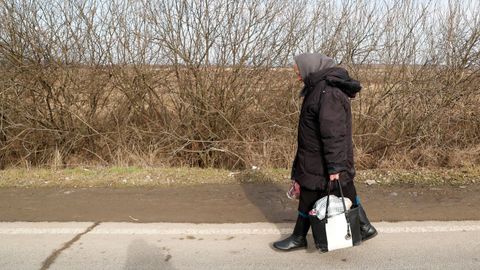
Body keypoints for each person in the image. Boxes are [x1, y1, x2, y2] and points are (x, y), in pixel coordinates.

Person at [273, 53, 377, 251]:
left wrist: (335, 166)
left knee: (311, 193)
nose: (297, 76)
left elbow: (334, 133)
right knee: (344, 189)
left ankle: (299, 237)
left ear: (310, 68)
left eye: (298, 72)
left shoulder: (327, 93)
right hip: (316, 156)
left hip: (321, 159)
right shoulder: (318, 89)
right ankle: (364, 226)